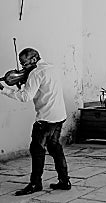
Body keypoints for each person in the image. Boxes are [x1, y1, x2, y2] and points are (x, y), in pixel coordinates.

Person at [0, 48, 71, 196]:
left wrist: (4, 90)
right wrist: (25, 82)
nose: (22, 68)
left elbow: (25, 97)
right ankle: (64, 181)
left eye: (24, 64)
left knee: (37, 151)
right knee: (55, 148)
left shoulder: (36, 73)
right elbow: (44, 89)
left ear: (33, 59)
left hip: (45, 119)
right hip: (59, 115)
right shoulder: (52, 68)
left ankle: (35, 184)